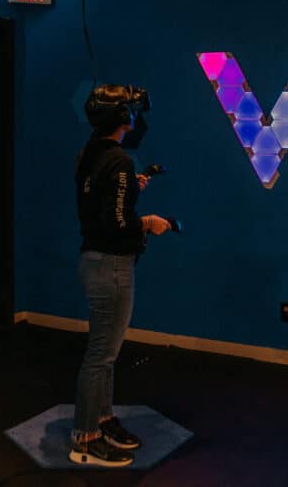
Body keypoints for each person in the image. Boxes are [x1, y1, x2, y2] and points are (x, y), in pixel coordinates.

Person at [69, 84, 172, 467]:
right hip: (112, 266)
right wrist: (147, 222)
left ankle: (103, 418)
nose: (134, 116)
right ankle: (85, 437)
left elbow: (99, 206)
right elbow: (116, 223)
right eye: (130, 111)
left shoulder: (90, 154)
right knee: (101, 355)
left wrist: (130, 190)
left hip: (92, 261)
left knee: (106, 355)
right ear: (122, 119)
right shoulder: (121, 162)